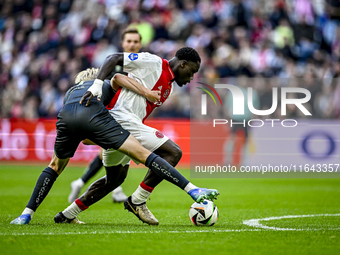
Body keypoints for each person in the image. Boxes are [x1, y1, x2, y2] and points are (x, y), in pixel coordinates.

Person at [10, 67, 220, 225]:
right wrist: (147, 93)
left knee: (55, 166)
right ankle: (192, 190)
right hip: (98, 119)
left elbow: (84, 137)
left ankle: (26, 214)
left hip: (65, 118)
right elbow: (118, 79)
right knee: (144, 153)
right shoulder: (99, 84)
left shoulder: (70, 92)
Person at [58, 47, 205, 225]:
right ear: (183, 64)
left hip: (122, 124)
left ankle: (67, 214)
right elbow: (113, 58)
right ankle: (138, 200)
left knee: (114, 180)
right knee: (173, 152)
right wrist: (97, 85)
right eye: (192, 72)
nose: (191, 78)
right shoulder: (153, 62)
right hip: (123, 118)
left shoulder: (169, 85)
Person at [68, 27, 143, 203]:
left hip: (130, 113)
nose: (132, 45)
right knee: (117, 147)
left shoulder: (143, 66)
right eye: (129, 41)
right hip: (109, 111)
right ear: (123, 43)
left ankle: (82, 182)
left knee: (111, 151)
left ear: (140, 44)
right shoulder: (112, 65)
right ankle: (114, 189)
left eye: (135, 42)